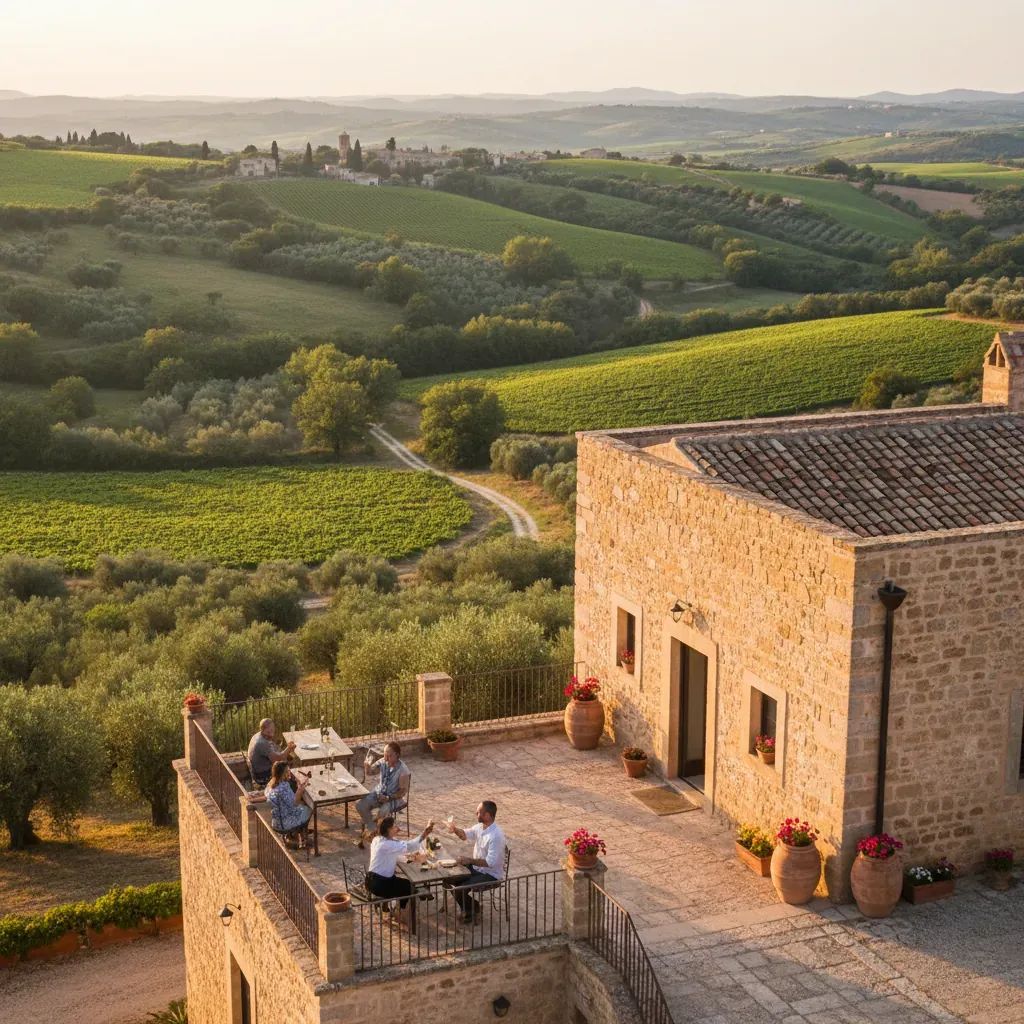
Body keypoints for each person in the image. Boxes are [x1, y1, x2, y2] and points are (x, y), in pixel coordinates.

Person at [367, 816, 435, 929]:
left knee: (406, 883)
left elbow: (396, 855)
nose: (397, 827)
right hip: (379, 883)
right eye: (394, 826)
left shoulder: (378, 839)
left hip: (372, 880)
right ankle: (400, 916)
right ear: (388, 829)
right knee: (408, 888)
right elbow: (409, 846)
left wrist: (410, 859)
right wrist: (425, 833)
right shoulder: (386, 844)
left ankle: (392, 910)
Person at [446, 800, 506, 923]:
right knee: (448, 877)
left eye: (479, 812)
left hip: (490, 874)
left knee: (459, 889)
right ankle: (469, 907)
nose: (476, 813)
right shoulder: (480, 827)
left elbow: (490, 863)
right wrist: (455, 829)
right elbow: (464, 835)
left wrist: (469, 860)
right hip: (477, 868)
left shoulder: (496, 836)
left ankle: (473, 909)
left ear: (488, 815)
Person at [356, 741, 410, 847]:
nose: (385, 758)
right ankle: (374, 831)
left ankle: (376, 837)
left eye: (389, 756)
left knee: (382, 812)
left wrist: (388, 797)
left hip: (394, 798)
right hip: (379, 793)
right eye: (384, 755)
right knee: (360, 805)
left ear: (397, 755)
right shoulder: (382, 762)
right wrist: (367, 767)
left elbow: (402, 792)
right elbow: (370, 772)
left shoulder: (403, 771)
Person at [265, 761, 312, 845]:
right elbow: (295, 803)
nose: (289, 772)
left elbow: (267, 796)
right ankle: (302, 836)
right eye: (287, 771)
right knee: (310, 807)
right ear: (283, 774)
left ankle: (297, 833)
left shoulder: (271, 784)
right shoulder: (284, 787)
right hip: (285, 824)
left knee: (303, 806)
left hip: (276, 822)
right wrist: (301, 788)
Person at [246, 718, 295, 786]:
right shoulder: (262, 743)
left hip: (257, 770)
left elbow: (274, 749)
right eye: (271, 729)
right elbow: (278, 759)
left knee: (288, 762)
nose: (273, 731)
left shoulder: (258, 735)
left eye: (273, 728)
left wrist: (286, 753)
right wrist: (289, 748)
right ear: (264, 729)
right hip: (262, 776)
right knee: (291, 776)